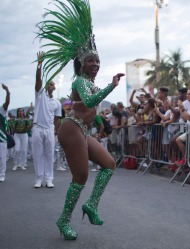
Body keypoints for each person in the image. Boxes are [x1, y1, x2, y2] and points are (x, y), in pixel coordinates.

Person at [36, 0, 125, 240]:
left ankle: (92, 205)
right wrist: (112, 86)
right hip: (70, 128)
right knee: (81, 176)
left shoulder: (89, 83)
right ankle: (64, 220)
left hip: (82, 129)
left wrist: (97, 127)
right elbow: (87, 102)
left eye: (97, 61)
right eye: (90, 61)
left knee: (109, 164)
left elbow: (90, 110)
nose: (95, 64)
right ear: (81, 63)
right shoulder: (79, 81)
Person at [33, 52, 62, 188]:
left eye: (51, 84)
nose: (49, 86)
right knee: (38, 154)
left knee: (49, 154)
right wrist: (40, 64)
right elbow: (38, 81)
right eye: (48, 84)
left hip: (50, 129)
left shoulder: (57, 103)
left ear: (54, 87)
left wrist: (57, 132)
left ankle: (49, 179)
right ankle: (39, 179)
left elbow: (57, 119)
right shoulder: (40, 95)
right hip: (38, 128)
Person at [0, 84, 10, 182]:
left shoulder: (2, 110)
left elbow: (7, 102)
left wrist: (7, 91)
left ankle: (2, 174)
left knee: (2, 157)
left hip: (1, 138)